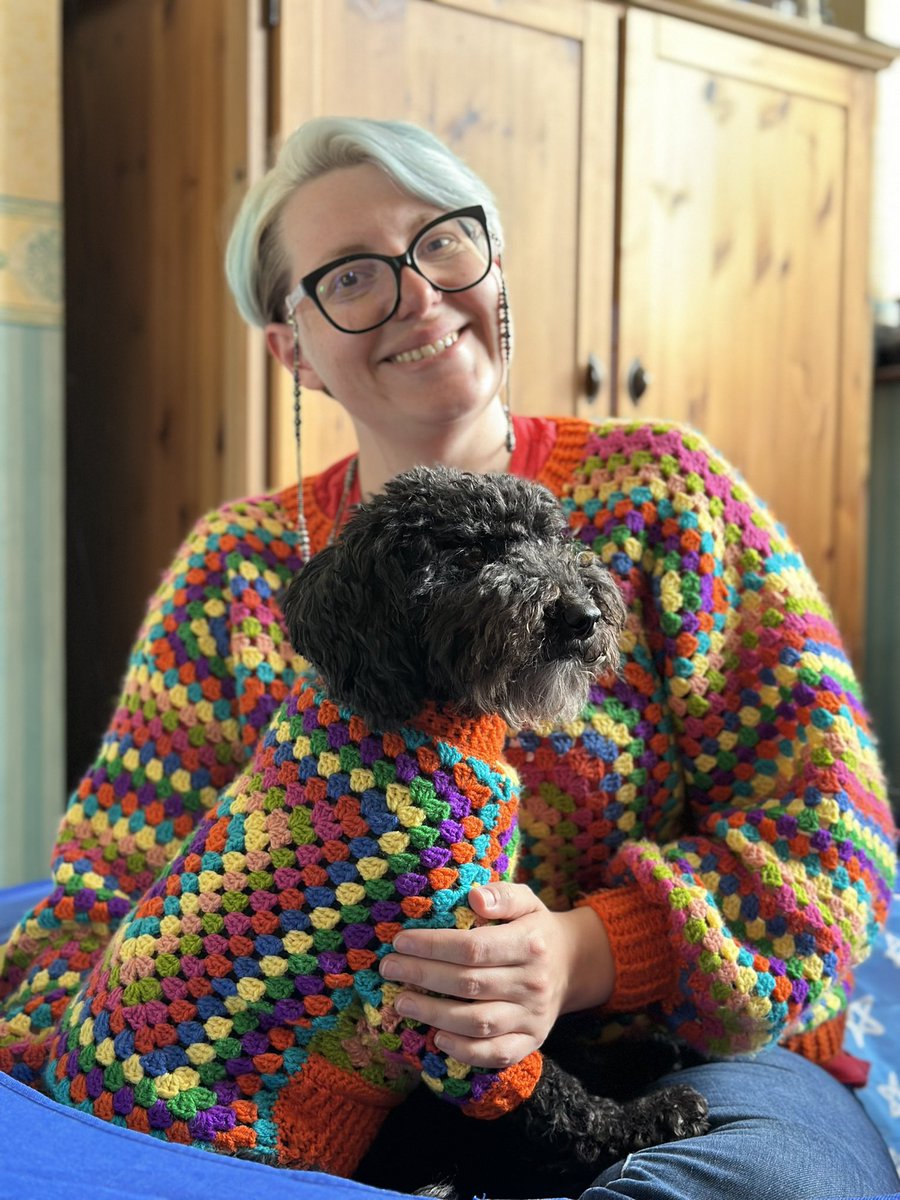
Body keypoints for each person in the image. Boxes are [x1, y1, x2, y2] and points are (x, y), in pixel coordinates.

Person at [0, 115, 897, 1200]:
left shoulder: (667, 494)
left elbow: (831, 835)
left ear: (494, 262)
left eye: (443, 243)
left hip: (687, 1046)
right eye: (353, 278)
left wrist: (579, 955)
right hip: (332, 1092)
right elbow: (107, 890)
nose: (419, 295)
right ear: (293, 346)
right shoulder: (237, 569)